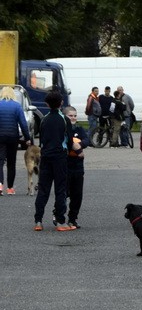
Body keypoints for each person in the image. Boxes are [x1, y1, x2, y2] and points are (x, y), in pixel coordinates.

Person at [33, 90, 76, 231]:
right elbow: (69, 140)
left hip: (45, 156)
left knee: (43, 189)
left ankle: (38, 221)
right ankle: (60, 221)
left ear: (46, 103)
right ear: (61, 103)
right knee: (60, 189)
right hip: (59, 157)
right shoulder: (64, 119)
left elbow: (42, 138)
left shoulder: (44, 119)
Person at [0, 86, 32, 194]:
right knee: (11, 163)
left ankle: (0, 185)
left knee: (0, 162)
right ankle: (10, 188)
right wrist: (27, 138)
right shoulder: (17, 106)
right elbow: (23, 123)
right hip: (13, 137)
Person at [64, 106, 90, 228]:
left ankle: (72, 218)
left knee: (77, 195)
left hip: (78, 167)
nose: (73, 118)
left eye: (75, 115)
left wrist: (77, 145)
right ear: (65, 116)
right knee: (63, 193)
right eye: (70, 115)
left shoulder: (79, 129)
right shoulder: (62, 129)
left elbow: (86, 140)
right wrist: (71, 145)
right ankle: (58, 215)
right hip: (65, 165)